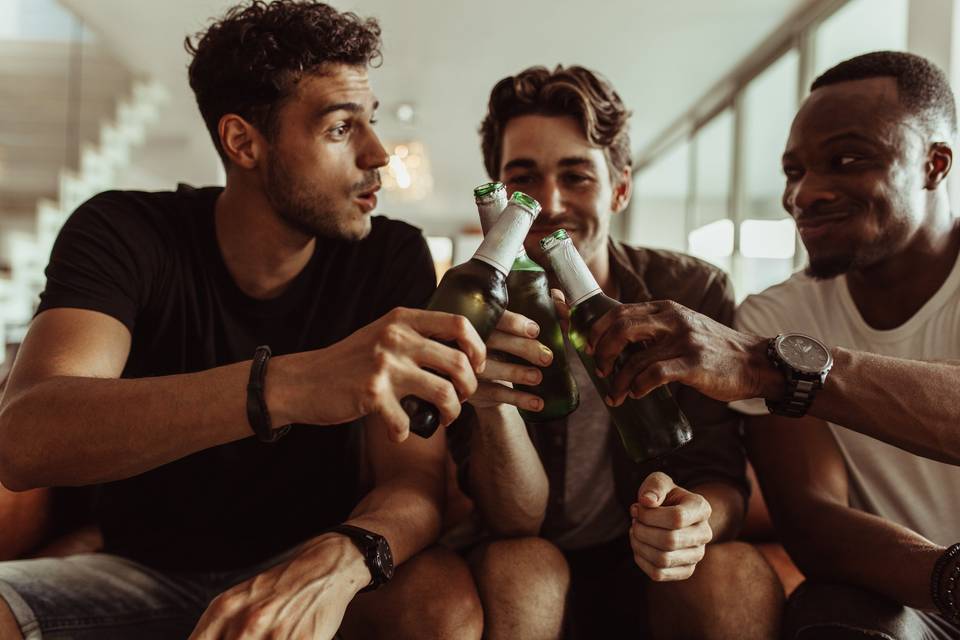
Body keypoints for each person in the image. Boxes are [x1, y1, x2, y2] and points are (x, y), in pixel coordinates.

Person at [0, 1, 542, 637]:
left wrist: (337, 564)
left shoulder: (390, 256)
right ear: (243, 142)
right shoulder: (124, 231)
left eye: (369, 122)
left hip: (315, 552)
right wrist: (290, 384)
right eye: (341, 129)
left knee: (441, 607)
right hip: (138, 569)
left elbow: (414, 487)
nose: (377, 154)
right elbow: (25, 439)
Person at [578, 51, 960, 637]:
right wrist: (949, 582)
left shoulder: (769, 346)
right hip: (917, 598)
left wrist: (770, 366)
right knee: (833, 613)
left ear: (934, 164)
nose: (804, 194)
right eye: (794, 171)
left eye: (847, 159)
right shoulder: (780, 314)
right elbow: (812, 519)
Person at [449, 64, 784, 639]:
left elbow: (720, 475)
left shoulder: (692, 292)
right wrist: (494, 401)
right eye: (524, 179)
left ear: (620, 189)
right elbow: (511, 520)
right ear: (501, 198)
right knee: (522, 566)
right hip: (530, 559)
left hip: (651, 566)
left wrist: (696, 518)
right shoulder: (471, 307)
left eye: (577, 176)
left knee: (736, 571)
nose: (548, 202)